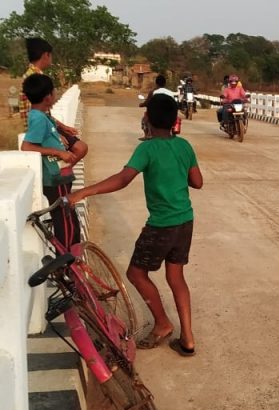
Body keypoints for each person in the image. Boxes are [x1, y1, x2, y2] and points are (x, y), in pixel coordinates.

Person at [70, 94, 203, 356]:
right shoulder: (185, 146)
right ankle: (187, 338)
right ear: (175, 121)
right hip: (185, 221)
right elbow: (197, 182)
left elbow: (123, 179)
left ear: (149, 120)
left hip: (161, 224)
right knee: (176, 277)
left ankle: (163, 324)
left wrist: (84, 192)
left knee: (136, 274)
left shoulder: (147, 149)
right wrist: (175, 172)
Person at [20, 74, 81, 248]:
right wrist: (58, 152)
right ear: (48, 97)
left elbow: (51, 125)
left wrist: (61, 132)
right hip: (55, 177)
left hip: (60, 175)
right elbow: (27, 146)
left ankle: (71, 252)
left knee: (68, 214)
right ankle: (68, 257)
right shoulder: (38, 118)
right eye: (54, 91)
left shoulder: (41, 114)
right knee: (64, 218)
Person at [21, 38, 88, 165]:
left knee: (80, 147)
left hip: (46, 125)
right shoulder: (35, 78)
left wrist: (62, 127)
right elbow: (35, 113)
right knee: (81, 148)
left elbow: (42, 112)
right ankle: (63, 174)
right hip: (41, 130)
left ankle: (64, 174)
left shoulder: (34, 75)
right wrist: (56, 135)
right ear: (46, 55)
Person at [139, 74, 179, 139]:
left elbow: (147, 102)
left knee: (145, 119)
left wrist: (142, 104)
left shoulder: (153, 92)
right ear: (165, 83)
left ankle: (146, 135)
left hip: (156, 113)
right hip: (169, 113)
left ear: (156, 83)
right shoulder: (170, 92)